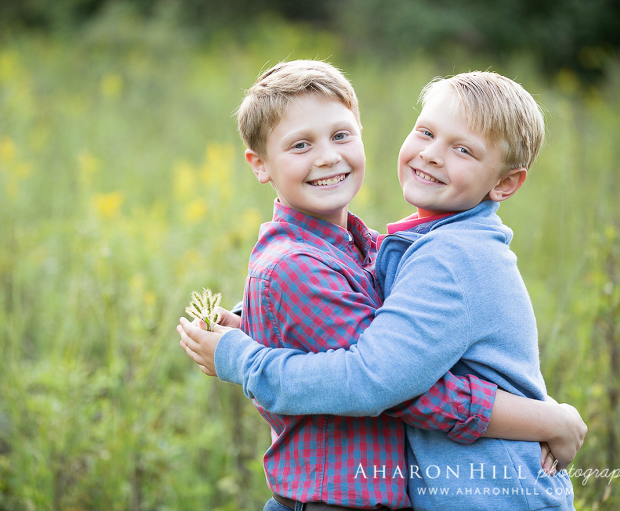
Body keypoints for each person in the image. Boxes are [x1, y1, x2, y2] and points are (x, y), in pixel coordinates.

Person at [179, 64, 586, 510]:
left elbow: (377, 378)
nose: (432, 155)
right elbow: (378, 366)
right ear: (260, 164)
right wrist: (546, 419)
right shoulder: (409, 246)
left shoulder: (445, 257)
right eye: (426, 132)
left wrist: (242, 355)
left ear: (505, 182)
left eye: (463, 150)